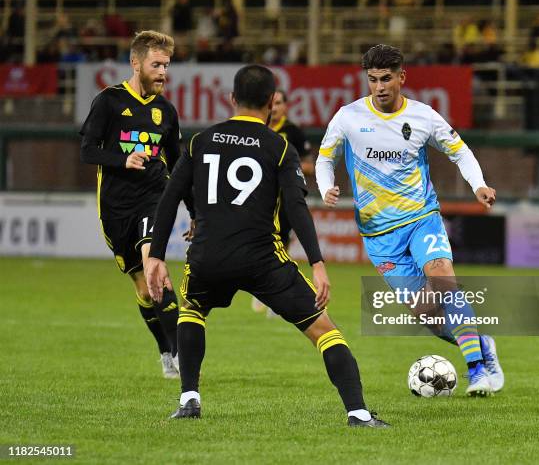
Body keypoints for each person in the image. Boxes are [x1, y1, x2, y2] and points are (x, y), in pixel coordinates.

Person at [145, 64, 389, 427]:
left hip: (208, 255)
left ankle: (189, 400)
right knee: (325, 331)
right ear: (272, 103)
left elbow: (169, 199)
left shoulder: (200, 141)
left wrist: (155, 256)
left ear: (231, 99)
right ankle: (357, 412)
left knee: (192, 310)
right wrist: (318, 264)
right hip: (263, 259)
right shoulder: (279, 147)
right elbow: (296, 207)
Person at [315, 44, 504, 396]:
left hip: (421, 218)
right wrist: (326, 187)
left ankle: (477, 370)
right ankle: (482, 343)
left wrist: (478, 185)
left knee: (443, 278)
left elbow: (459, 151)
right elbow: (325, 159)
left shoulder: (424, 116)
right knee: (430, 316)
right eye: (372, 80)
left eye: (386, 79)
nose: (379, 87)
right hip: (379, 235)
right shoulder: (347, 117)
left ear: (402, 77)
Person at [80, 30, 192, 379]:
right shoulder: (109, 101)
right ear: (136, 63)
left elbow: (178, 166)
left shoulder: (166, 111)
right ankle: (165, 350)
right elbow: (87, 150)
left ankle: (183, 357)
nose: (162, 72)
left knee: (156, 267)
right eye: (156, 64)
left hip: (153, 199)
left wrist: (196, 211)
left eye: (166, 66)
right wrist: (121, 160)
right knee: (145, 289)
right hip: (115, 208)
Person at [252, 89, 313, 315]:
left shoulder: (293, 133)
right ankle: (263, 289)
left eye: (278, 103)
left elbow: (309, 166)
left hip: (284, 199)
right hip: (258, 198)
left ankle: (273, 298)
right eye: (271, 103)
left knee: (280, 246)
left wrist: (286, 167)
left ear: (286, 106)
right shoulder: (258, 130)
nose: (274, 107)